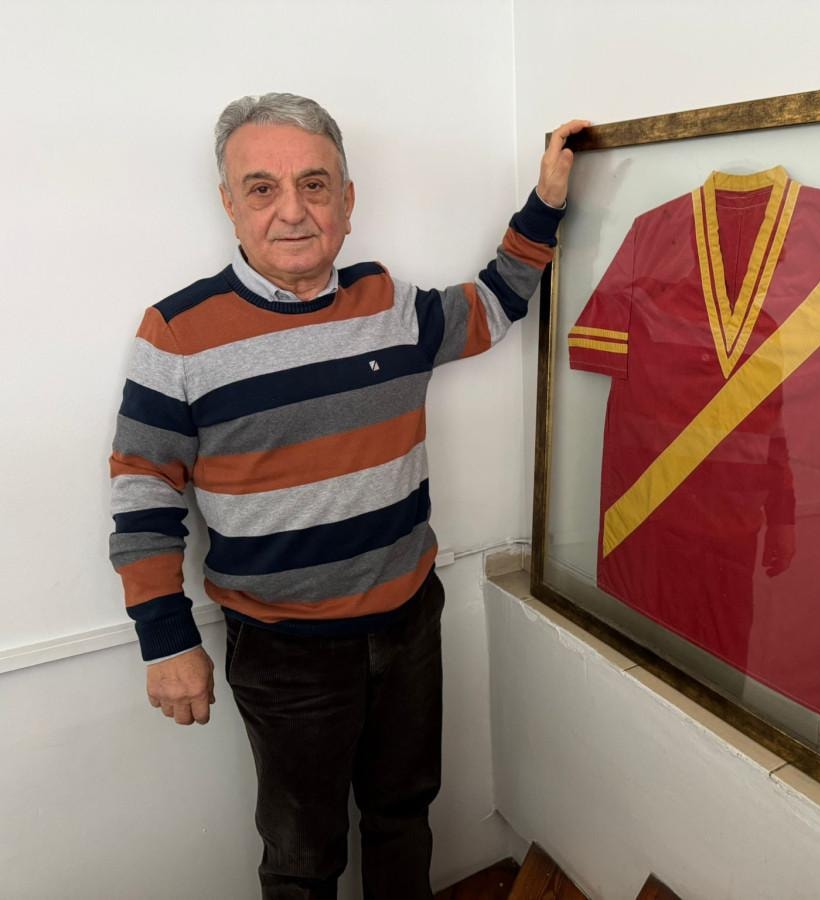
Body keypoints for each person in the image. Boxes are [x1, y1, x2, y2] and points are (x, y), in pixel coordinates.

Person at [108, 92, 586, 899]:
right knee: (303, 859)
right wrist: (165, 640)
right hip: (284, 652)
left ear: (348, 200)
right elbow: (143, 491)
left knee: (404, 816)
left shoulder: (390, 304)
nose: (293, 211)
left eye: (315, 184)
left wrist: (546, 203)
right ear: (229, 204)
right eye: (262, 188)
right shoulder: (179, 332)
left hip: (408, 623)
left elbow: (496, 302)